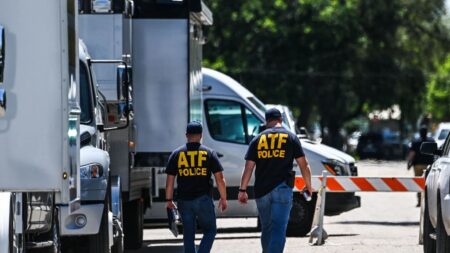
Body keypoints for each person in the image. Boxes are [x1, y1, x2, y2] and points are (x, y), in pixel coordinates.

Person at [238, 108, 313, 253]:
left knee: (267, 228)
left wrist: (242, 190)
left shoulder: (258, 139)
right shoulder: (291, 137)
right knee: (279, 229)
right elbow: (304, 164)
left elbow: (248, 167)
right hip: (282, 189)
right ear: (281, 120)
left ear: (266, 122)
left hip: (262, 192)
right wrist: (308, 186)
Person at [165, 121, 227, 253]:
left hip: (184, 200)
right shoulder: (209, 153)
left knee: (188, 234)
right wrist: (223, 198)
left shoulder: (176, 154)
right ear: (201, 135)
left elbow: (170, 180)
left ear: (186, 135)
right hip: (203, 199)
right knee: (210, 230)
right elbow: (220, 179)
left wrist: (169, 200)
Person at [407, 126, 436, 207]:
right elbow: (435, 153)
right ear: (427, 132)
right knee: (429, 184)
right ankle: (428, 202)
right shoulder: (431, 140)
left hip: (418, 165)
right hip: (429, 166)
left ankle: (420, 201)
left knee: (418, 183)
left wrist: (409, 163)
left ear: (419, 132)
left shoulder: (415, 141)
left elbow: (412, 154)